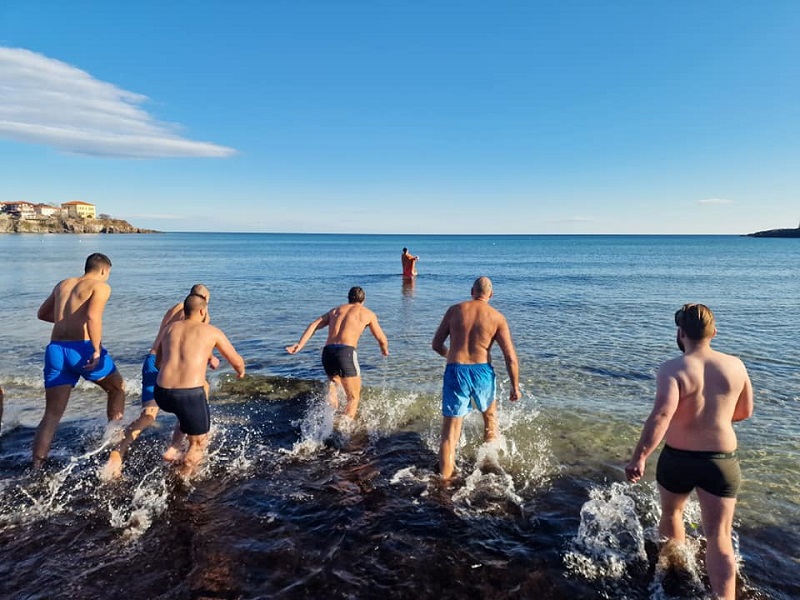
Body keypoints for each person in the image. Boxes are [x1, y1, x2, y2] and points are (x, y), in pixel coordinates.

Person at [625, 304, 753, 600]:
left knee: (672, 514)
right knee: (719, 537)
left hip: (678, 458)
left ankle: (676, 576)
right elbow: (745, 411)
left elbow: (661, 417)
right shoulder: (736, 365)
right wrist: (715, 416)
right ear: (714, 332)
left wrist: (639, 457)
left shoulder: (672, 368)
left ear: (680, 333)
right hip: (720, 461)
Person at [103, 284, 217, 478]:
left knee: (148, 416)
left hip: (151, 361)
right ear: (203, 302)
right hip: (169, 367)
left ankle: (119, 451)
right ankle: (186, 449)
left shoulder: (174, 308)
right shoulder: (201, 317)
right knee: (195, 397)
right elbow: (194, 346)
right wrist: (211, 358)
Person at [33, 253, 125, 468]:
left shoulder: (63, 284)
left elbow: (42, 314)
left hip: (55, 349)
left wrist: (68, 318)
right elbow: (94, 317)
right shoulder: (100, 287)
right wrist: (95, 349)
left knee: (52, 414)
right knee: (117, 388)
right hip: (81, 348)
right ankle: (113, 443)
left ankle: (36, 466)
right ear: (104, 270)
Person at [431, 276, 520, 480]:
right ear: (491, 294)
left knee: (450, 433)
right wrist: (515, 386)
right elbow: (511, 358)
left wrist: (451, 356)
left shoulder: (455, 310)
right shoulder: (497, 317)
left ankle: (444, 481)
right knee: (490, 419)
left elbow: (436, 344)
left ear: (472, 291)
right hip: (482, 373)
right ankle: (488, 468)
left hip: (456, 370)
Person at [153, 293, 245, 479]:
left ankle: (173, 449)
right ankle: (182, 481)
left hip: (161, 393)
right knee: (199, 443)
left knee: (183, 414)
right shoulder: (211, 331)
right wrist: (240, 372)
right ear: (203, 311)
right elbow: (237, 361)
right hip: (188, 395)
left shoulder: (170, 329)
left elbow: (158, 361)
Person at [286, 286, 389, 419]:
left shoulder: (335, 311)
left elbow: (314, 324)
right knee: (353, 398)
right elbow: (381, 338)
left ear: (348, 298)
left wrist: (300, 344)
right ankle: (342, 432)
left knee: (335, 383)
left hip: (328, 352)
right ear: (364, 300)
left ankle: (329, 419)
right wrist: (384, 350)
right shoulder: (367, 313)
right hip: (346, 353)